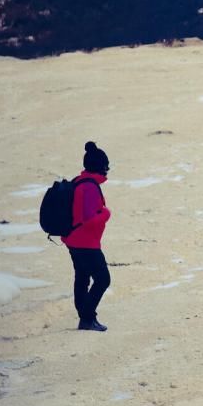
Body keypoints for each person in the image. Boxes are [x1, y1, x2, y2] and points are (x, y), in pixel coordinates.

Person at [62, 142, 112, 331]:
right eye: (106, 166)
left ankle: (85, 318)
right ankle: (87, 317)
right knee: (103, 279)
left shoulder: (79, 181)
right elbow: (90, 220)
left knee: (82, 277)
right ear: (100, 166)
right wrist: (106, 213)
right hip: (86, 243)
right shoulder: (90, 187)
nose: (108, 170)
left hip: (73, 240)